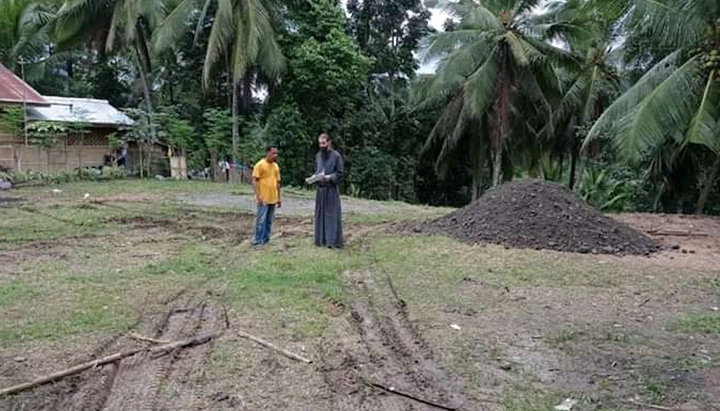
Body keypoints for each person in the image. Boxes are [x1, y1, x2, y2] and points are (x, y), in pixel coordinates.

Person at [314, 133, 344, 248]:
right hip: (320, 190)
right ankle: (321, 241)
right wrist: (315, 177)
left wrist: (330, 177)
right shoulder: (318, 156)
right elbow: (317, 170)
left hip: (331, 189)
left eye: (323, 143)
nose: (321, 146)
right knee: (320, 215)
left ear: (329, 143)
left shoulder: (336, 156)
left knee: (331, 215)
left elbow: (340, 173)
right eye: (320, 143)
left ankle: (332, 242)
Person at [251, 146, 281, 246]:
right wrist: (257, 195)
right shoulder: (260, 165)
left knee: (269, 220)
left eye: (276, 153)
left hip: (273, 197)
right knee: (261, 220)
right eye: (273, 153)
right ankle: (257, 240)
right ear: (267, 153)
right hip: (263, 198)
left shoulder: (276, 166)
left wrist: (279, 198)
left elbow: (278, 183)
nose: (275, 155)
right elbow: (255, 180)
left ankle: (266, 239)